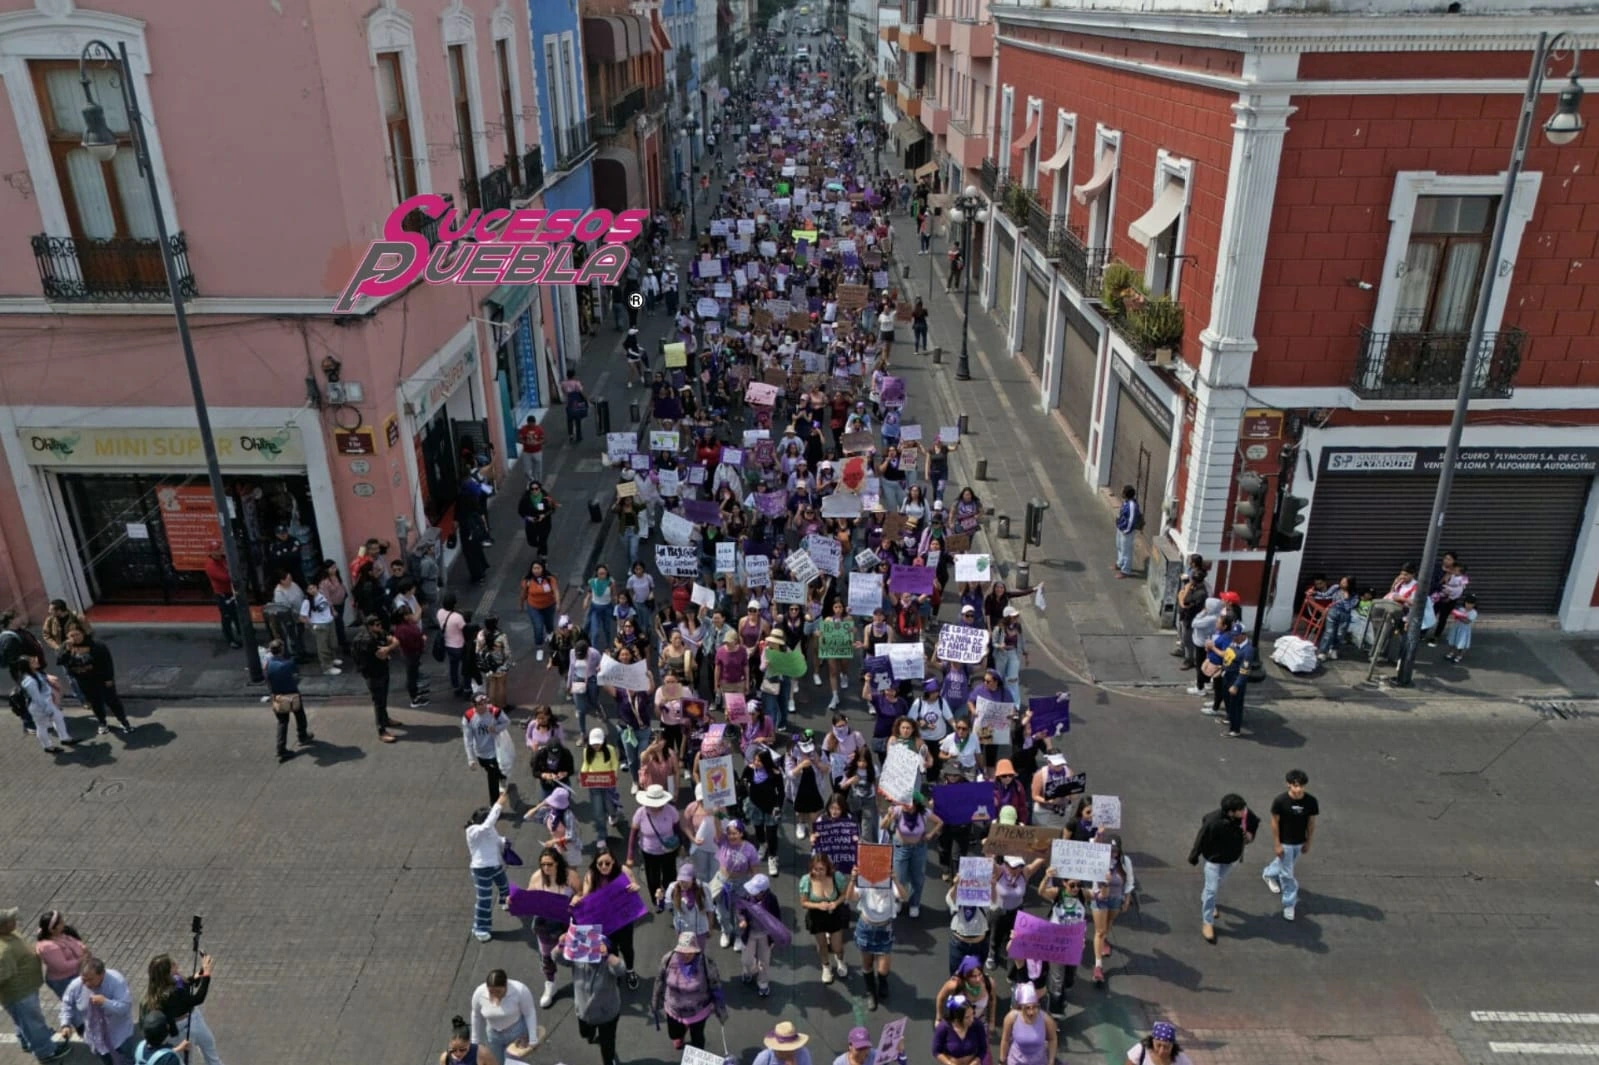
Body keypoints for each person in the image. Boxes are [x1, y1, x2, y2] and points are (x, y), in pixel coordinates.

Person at [1186, 793, 1260, 943]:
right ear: (1231, 812)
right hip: (1213, 860)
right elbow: (1201, 837)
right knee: (1212, 889)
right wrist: (1194, 855)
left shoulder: (1245, 813)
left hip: (1231, 859)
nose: (1244, 811)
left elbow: (1254, 822)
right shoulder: (1213, 821)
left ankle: (1207, 898)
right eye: (1240, 810)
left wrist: (1251, 835)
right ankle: (1207, 922)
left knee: (1216, 884)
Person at [0, 907, 70, 1062]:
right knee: (33, 1023)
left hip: (25, 990)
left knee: (24, 1021)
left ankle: (27, 1041)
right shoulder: (3, 952)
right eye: (10, 920)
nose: (14, 920)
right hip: (20, 994)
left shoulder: (10, 934)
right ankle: (46, 1052)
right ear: (3, 927)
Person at [554, 925, 625, 1065]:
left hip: (607, 1014)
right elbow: (557, 958)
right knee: (585, 1034)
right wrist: (561, 944)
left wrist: (607, 956)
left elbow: (620, 969)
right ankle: (590, 1035)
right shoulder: (578, 958)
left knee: (607, 1042)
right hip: (584, 1012)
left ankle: (609, 1060)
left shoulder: (607, 963)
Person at [649, 931, 726, 1051]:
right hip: (674, 1009)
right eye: (682, 951)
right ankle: (682, 1031)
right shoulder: (668, 959)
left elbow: (716, 987)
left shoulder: (706, 963)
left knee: (697, 1040)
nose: (685, 955)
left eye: (689, 952)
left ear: (695, 950)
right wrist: (655, 1002)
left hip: (698, 1011)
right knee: (674, 1034)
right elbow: (659, 980)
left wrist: (720, 1010)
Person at [141, 951, 221, 1065]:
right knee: (187, 1060)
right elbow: (197, 999)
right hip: (183, 1028)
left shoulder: (166, 983)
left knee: (208, 1043)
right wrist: (207, 975)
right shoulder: (171, 994)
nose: (176, 965)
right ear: (167, 972)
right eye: (173, 965)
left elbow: (185, 984)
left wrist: (200, 973)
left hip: (193, 1018)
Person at [56, 956, 138, 1065]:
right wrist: (65, 1024)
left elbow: (125, 1007)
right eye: (84, 979)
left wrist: (106, 1002)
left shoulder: (116, 982)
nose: (86, 984)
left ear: (102, 974)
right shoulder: (76, 985)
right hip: (97, 1039)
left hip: (119, 1038)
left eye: (90, 979)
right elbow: (67, 1003)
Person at [1262, 769, 1319, 922]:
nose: (1298, 789)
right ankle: (1289, 903)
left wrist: (1308, 841)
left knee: (1284, 864)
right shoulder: (1280, 801)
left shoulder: (1311, 801)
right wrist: (1277, 844)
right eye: (1295, 785)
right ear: (1288, 784)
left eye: (1301, 786)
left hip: (1299, 842)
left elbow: (1311, 823)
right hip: (1285, 842)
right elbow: (1274, 822)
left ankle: (1268, 874)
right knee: (1287, 875)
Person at [847, 868, 907, 1011]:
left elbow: (903, 896)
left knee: (883, 969)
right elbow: (851, 897)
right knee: (867, 964)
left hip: (884, 930)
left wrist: (895, 879)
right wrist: (853, 879)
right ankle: (871, 992)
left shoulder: (889, 883)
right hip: (866, 928)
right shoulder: (865, 882)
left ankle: (882, 980)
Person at [58, 628, 133, 735]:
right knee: (95, 703)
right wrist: (67, 650)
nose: (75, 638)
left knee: (112, 701)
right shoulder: (66, 646)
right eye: (72, 635)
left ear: (83, 634)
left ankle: (124, 722)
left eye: (77, 634)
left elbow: (107, 662)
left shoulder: (96, 645)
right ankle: (102, 723)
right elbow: (60, 661)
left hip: (101, 679)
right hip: (84, 681)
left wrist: (108, 678)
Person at [466, 791, 513, 943]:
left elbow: (495, 839)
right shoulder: (472, 831)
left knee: (504, 886)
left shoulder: (489, 829)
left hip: (495, 865)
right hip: (481, 869)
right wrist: (499, 804)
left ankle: (504, 902)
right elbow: (487, 827)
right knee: (484, 899)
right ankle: (480, 928)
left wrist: (504, 842)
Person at [1088, 836, 1135, 985]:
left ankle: (1104, 942)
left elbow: (1129, 881)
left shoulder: (1125, 861)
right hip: (1100, 898)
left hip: (1116, 898)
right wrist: (1098, 836)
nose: (1113, 853)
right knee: (1100, 931)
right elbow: (1090, 847)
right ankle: (1098, 966)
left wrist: (1126, 899)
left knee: (1108, 923)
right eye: (1111, 850)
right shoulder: (1098, 859)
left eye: (1116, 850)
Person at [798, 853, 850, 985]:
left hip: (834, 914)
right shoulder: (806, 880)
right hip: (817, 917)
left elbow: (844, 895)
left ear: (827, 868)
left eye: (821, 869)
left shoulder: (836, 877)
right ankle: (826, 966)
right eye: (815, 869)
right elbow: (803, 903)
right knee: (822, 945)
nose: (818, 872)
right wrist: (818, 905)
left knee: (837, 947)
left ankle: (840, 960)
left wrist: (835, 903)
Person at [470, 968, 538, 1063]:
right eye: (491, 991)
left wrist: (533, 1038)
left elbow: (529, 1013)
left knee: (511, 1062)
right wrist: (474, 1041)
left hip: (516, 1033)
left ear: (506, 985)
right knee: (496, 1062)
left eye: (498, 991)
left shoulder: (520, 990)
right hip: (493, 1036)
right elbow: (476, 1015)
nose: (495, 995)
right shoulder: (479, 993)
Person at [352, 615, 399, 743]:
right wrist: (388, 650)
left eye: (380, 624)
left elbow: (394, 641)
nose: (380, 626)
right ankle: (381, 731)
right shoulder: (367, 641)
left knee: (383, 698)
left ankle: (385, 719)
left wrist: (388, 648)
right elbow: (381, 655)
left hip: (382, 670)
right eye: (377, 625)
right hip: (373, 674)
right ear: (370, 626)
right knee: (378, 702)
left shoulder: (379, 634)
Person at [264, 640, 314, 763]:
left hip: (278, 696)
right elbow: (296, 676)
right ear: (281, 649)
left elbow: (267, 680)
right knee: (300, 714)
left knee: (282, 722)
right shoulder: (288, 663)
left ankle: (281, 749)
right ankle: (302, 736)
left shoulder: (267, 664)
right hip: (292, 694)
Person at [736, 873, 782, 997]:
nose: (752, 892)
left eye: (755, 891)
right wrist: (742, 920)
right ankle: (750, 970)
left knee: (764, 961)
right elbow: (740, 910)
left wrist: (774, 937)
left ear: (763, 892)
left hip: (765, 935)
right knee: (746, 960)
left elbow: (777, 919)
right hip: (750, 933)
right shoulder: (747, 896)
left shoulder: (772, 900)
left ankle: (763, 983)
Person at [17, 655, 70, 754]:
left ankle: (65, 738)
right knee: (42, 726)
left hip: (46, 703)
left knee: (59, 717)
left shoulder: (36, 673)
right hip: (39, 707)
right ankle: (47, 746)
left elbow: (44, 682)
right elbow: (37, 699)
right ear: (27, 666)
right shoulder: (30, 681)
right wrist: (48, 710)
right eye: (32, 661)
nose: (36, 661)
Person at [999, 982, 1057, 1065]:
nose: (1031, 1012)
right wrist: (1002, 1060)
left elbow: (1052, 1039)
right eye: (1027, 1008)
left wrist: (1051, 1061)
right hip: (1016, 1062)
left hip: (1039, 1062)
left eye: (1034, 1007)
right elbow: (1005, 1040)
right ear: (1021, 1006)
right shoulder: (1011, 1018)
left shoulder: (1045, 1019)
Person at [32, 911, 87, 999]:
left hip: (74, 973)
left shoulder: (59, 934)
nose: (63, 923)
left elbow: (71, 940)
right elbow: (62, 966)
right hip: (64, 980)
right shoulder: (48, 947)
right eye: (60, 923)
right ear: (52, 929)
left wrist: (81, 946)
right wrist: (80, 960)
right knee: (75, 1001)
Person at [201, 542, 242, 648]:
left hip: (231, 591)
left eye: (220, 548)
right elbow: (226, 578)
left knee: (236, 613)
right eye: (217, 549)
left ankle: (241, 631)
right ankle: (230, 639)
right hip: (223, 595)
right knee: (227, 617)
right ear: (211, 552)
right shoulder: (210, 565)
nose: (220, 550)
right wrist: (233, 573)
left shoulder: (223, 559)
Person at [932, 993, 988, 1065]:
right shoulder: (943, 1027)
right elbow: (936, 1051)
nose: (972, 1019)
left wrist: (975, 1062)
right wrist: (949, 1063)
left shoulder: (977, 1025)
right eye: (967, 1017)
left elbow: (983, 1049)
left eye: (972, 1014)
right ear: (956, 1018)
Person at [833, 1024, 907, 1065]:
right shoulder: (839, 1063)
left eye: (866, 1047)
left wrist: (901, 1050)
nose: (863, 1052)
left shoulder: (875, 1056)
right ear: (850, 1046)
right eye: (859, 1049)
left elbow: (902, 1061)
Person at [1126, 1022, 1193, 1065]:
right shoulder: (1141, 1051)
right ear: (1153, 1041)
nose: (1161, 1051)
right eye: (1158, 1045)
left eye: (1166, 1047)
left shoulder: (1181, 1059)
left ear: (1172, 1046)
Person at [1113, 485, 1141, 578]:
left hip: (1126, 531)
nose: (1121, 492)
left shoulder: (1132, 505)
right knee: (1119, 546)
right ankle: (1120, 563)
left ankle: (1126, 570)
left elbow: (1131, 519)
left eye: (1123, 491)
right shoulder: (1126, 502)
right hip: (1121, 528)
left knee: (1126, 551)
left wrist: (1127, 530)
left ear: (1126, 494)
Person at [517, 415, 547, 484]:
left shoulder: (539, 429)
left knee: (538, 470)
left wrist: (537, 443)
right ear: (528, 423)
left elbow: (544, 439)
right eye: (530, 424)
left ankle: (538, 483)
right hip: (527, 452)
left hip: (537, 451)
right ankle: (531, 482)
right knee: (526, 470)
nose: (531, 425)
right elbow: (519, 439)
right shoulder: (523, 429)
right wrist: (525, 442)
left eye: (533, 424)